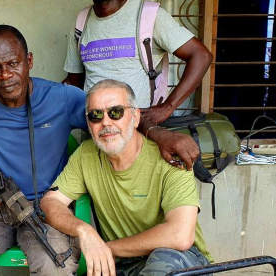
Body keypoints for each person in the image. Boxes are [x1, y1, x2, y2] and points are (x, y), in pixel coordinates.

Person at [0, 25, 200, 276]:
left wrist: (159, 133)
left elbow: (109, 114)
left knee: (56, 268)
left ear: (29, 60)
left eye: (13, 64)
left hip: (46, 212)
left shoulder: (60, 97)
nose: (5, 76)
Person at [41, 79, 213, 276]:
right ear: (89, 124)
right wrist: (85, 231)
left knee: (162, 261)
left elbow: (180, 235)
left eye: (116, 112)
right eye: (95, 115)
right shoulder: (86, 155)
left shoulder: (170, 157)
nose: (106, 122)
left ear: (135, 117)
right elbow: (50, 202)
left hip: (182, 261)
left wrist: (107, 247)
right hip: (123, 264)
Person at [63, 0, 213, 124]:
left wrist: (167, 107)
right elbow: (74, 82)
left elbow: (201, 56)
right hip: (95, 130)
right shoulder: (81, 22)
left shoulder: (149, 16)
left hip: (140, 132)